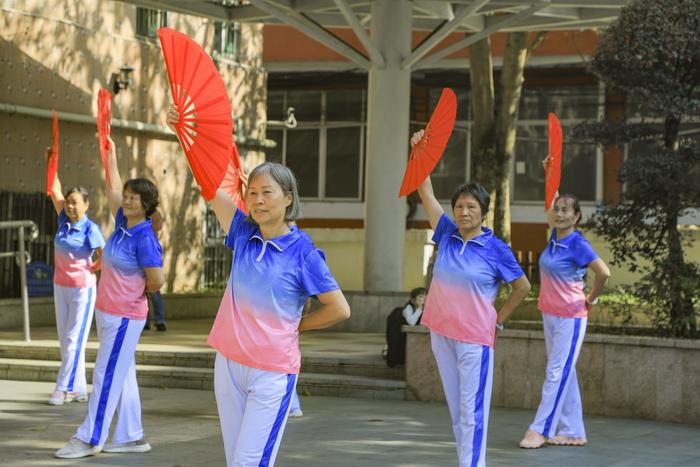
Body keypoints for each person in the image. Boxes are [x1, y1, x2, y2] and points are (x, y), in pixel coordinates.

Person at [167, 105, 351, 467]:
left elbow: (339, 308)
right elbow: (208, 184)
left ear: (289, 198)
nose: (258, 200)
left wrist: (297, 325)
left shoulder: (304, 253)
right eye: (251, 193)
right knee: (235, 458)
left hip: (272, 371)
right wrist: (183, 135)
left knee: (248, 461)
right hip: (229, 362)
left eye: (267, 193)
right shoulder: (242, 233)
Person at [412, 130, 531, 467]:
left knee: (472, 409)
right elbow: (425, 190)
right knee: (456, 406)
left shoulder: (496, 248)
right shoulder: (447, 234)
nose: (464, 212)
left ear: (483, 212)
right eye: (459, 206)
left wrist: (498, 318)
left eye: (471, 207)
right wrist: (419, 151)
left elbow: (522, 286)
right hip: (440, 332)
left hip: (474, 339)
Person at [55, 137, 164, 459]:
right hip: (108, 312)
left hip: (124, 316)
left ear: (147, 205)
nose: (127, 201)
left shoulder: (145, 238)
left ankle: (90, 437)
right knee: (123, 373)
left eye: (134, 198)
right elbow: (113, 184)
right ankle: (131, 435)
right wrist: (111, 156)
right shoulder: (122, 225)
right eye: (127, 197)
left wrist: (132, 293)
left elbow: (156, 281)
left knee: (105, 374)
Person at [519, 193, 610, 449]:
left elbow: (604, 272)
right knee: (563, 372)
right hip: (549, 312)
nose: (559, 214)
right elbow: (551, 194)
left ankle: (540, 429)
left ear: (577, 216)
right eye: (556, 210)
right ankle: (572, 431)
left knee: (556, 372)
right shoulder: (554, 238)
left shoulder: (577, 244)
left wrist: (591, 298)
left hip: (571, 315)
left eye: (566, 210)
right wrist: (550, 169)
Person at [45, 147, 105, 406]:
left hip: (82, 289)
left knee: (73, 338)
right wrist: (52, 162)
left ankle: (63, 389)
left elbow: (105, 255)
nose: (70, 206)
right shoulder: (63, 220)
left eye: (75, 202)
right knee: (66, 340)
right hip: (61, 286)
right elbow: (53, 190)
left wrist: (92, 268)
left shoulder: (90, 228)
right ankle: (79, 388)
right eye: (68, 202)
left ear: (86, 205)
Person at [385, 287, 427, 367]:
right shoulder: (408, 309)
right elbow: (411, 322)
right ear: (413, 300)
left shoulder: (425, 308)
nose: (423, 299)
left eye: (425, 296)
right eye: (421, 297)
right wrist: (420, 309)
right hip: (402, 338)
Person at [145, 209, 166, 331]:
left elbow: (158, 226)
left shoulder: (152, 213)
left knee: (154, 293)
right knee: (146, 295)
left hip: (152, 263)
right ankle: (147, 321)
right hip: (146, 263)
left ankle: (159, 320)